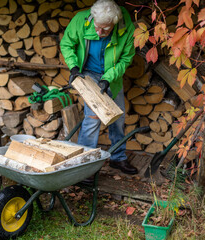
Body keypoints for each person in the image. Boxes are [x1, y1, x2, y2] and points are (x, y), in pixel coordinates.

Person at [60, 0, 137, 174]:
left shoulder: (126, 26)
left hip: (112, 75)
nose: (99, 32)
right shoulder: (81, 20)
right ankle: (84, 165)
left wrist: (108, 79)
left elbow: (126, 58)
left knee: (117, 116)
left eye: (105, 29)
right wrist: (73, 67)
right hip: (88, 74)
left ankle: (118, 158)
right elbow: (66, 44)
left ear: (115, 23)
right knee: (93, 117)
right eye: (97, 27)